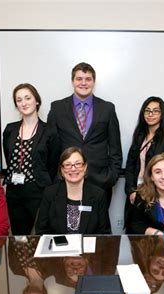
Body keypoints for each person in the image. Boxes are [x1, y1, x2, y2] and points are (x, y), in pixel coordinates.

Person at [46, 62, 122, 205]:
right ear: (72, 81)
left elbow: (115, 147)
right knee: (68, 225)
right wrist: (54, 177)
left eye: (88, 79)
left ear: (93, 82)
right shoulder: (57, 108)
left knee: (98, 225)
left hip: (100, 181)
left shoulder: (107, 108)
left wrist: (112, 176)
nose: (83, 83)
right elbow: (51, 146)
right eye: (79, 79)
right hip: (67, 179)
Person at [3, 83, 58, 235]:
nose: (24, 103)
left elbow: (54, 164)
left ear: (37, 101)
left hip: (38, 191)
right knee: (19, 238)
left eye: (28, 98)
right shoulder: (9, 130)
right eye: (19, 100)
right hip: (14, 193)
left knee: (41, 235)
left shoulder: (49, 131)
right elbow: (9, 158)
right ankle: (20, 260)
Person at [125, 96, 164, 231]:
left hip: (157, 192)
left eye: (155, 111)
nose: (150, 114)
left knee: (154, 231)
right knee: (135, 230)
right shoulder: (139, 136)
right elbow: (130, 164)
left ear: (162, 114)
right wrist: (131, 190)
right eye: (147, 111)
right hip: (136, 191)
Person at [35, 147, 111, 235]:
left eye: (78, 164)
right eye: (67, 165)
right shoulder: (50, 193)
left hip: (87, 247)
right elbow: (41, 230)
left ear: (85, 167)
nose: (73, 169)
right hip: (58, 247)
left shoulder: (98, 195)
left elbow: (104, 233)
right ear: (62, 170)